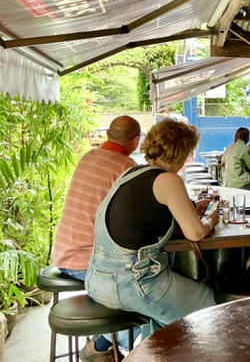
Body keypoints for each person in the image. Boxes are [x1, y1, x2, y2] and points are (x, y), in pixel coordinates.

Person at [85, 119, 218, 340]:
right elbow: (195, 233)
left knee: (162, 318)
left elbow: (143, 218)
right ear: (183, 152)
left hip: (98, 279)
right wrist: (211, 218)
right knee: (212, 309)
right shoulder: (168, 179)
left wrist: (190, 209)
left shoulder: (132, 174)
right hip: (132, 283)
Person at [52, 115, 141, 361]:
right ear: (135, 141)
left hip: (63, 253)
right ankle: (100, 346)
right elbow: (134, 220)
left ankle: (107, 344)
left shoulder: (88, 157)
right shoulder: (126, 168)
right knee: (146, 297)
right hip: (85, 259)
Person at [222, 127, 250, 194]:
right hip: (240, 181)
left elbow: (222, 160)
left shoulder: (230, 147)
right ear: (247, 137)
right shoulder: (245, 148)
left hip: (227, 182)